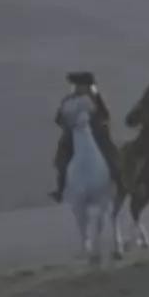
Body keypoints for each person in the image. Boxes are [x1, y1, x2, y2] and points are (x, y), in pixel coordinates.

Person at [50, 71, 124, 201]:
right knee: (62, 159)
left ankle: (120, 183)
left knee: (109, 154)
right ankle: (61, 189)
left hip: (95, 134)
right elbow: (58, 119)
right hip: (73, 135)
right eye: (76, 86)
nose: (77, 88)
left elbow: (105, 116)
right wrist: (68, 122)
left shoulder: (96, 98)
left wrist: (93, 120)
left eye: (80, 85)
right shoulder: (69, 100)